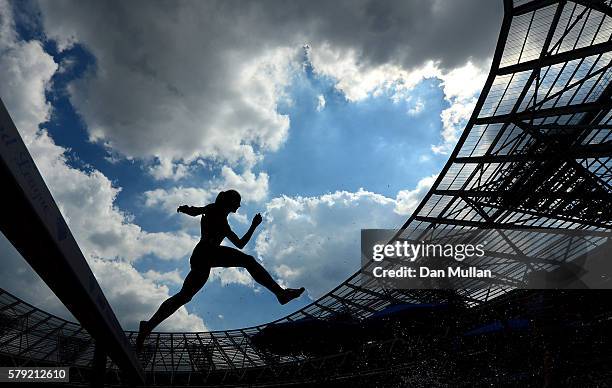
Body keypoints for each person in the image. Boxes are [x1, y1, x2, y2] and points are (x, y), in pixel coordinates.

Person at [136, 189, 305, 350]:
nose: (239, 206)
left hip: (202, 256)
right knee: (248, 261)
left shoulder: (215, 211)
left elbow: (197, 211)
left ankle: (148, 325)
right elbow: (240, 243)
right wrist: (253, 226)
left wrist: (187, 209)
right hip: (208, 252)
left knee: (184, 296)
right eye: (237, 203)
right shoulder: (218, 215)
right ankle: (280, 294)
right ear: (230, 201)